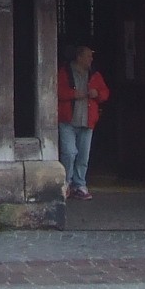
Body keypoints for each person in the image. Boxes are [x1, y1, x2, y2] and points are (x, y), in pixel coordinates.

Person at [57, 43, 109, 200]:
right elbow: (57, 91)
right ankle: (66, 183)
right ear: (79, 57)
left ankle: (80, 185)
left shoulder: (94, 74)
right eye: (88, 56)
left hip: (87, 121)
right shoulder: (65, 72)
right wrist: (74, 94)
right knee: (69, 152)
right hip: (68, 120)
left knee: (83, 156)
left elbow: (105, 93)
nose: (91, 59)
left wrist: (97, 94)